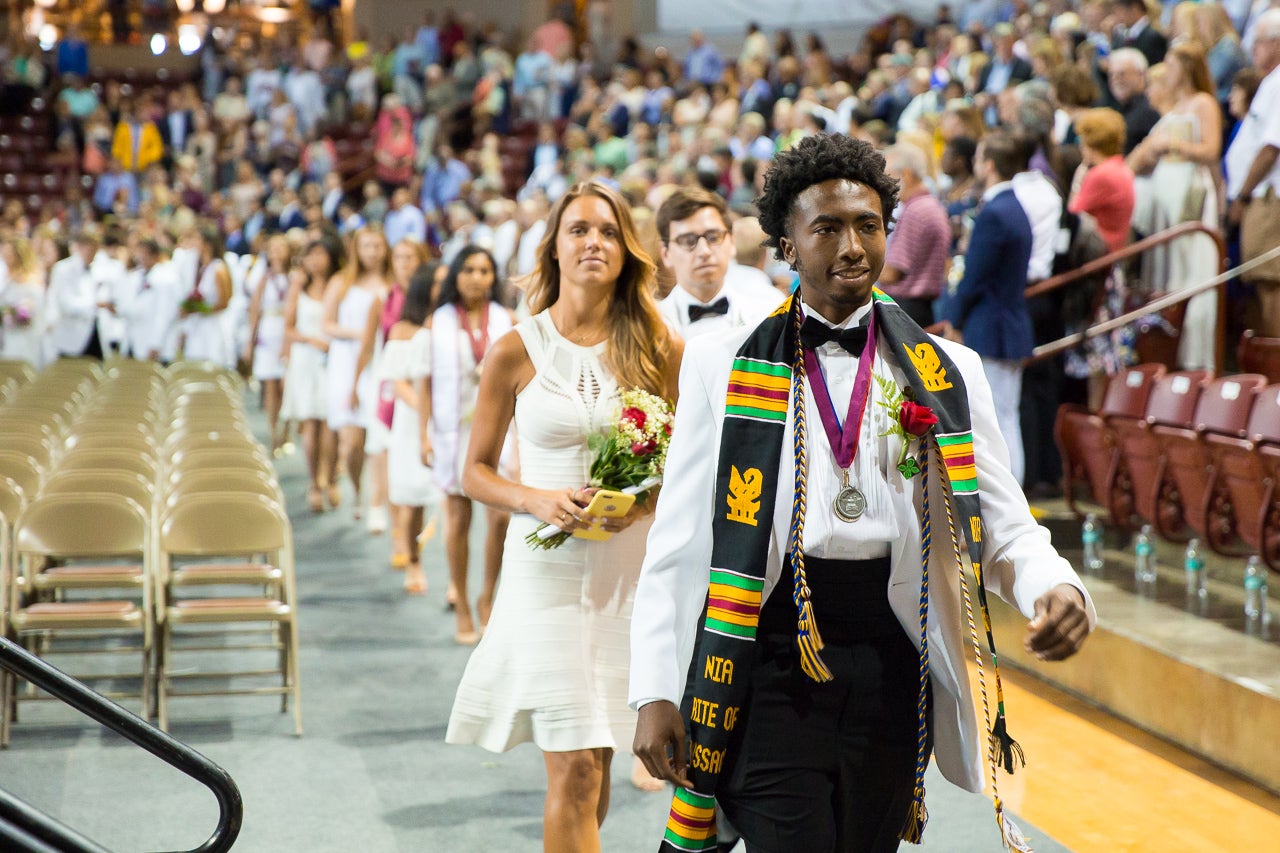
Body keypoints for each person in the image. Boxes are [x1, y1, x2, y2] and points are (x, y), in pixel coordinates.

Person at [629, 133, 1093, 853]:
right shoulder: (722, 366)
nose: (852, 246)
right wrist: (655, 687)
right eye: (827, 228)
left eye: (869, 225)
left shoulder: (948, 370)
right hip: (768, 652)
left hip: (890, 658)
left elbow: (1001, 524)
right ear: (787, 245)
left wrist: (1054, 587)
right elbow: (679, 538)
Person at [447, 181, 683, 852]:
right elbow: (475, 470)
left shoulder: (661, 349)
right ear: (553, 245)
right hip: (542, 574)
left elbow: (681, 472)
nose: (594, 242)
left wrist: (640, 501)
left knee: (599, 765)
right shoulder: (516, 348)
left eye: (608, 231)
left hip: (625, 578)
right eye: (578, 229)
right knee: (574, 765)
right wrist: (536, 497)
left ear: (626, 249)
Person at [421, 246, 515, 642]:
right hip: (451, 430)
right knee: (458, 519)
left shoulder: (505, 319)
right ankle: (460, 600)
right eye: (470, 270)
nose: (477, 277)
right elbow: (425, 382)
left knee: (500, 517)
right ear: (456, 275)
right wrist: (422, 434)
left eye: (485, 270)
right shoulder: (436, 323)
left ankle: (488, 597)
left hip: (498, 428)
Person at [941, 132, 1036, 487]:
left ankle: (1005, 499)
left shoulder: (995, 212)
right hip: (1009, 322)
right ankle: (1012, 496)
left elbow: (975, 276)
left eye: (980, 159)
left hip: (991, 325)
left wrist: (956, 317)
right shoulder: (1014, 206)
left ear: (990, 165)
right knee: (1006, 414)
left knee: (996, 418)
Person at [1128, 41, 1222, 371]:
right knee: (1166, 268)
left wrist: (1172, 144)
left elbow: (1211, 150)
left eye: (1171, 63)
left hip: (1190, 193)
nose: (1166, 70)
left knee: (1189, 265)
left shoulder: (1202, 102)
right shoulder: (1174, 105)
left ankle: (1194, 356)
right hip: (1165, 195)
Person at [382, 261, 441, 596]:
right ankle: (414, 559)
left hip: (451, 420)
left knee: (454, 499)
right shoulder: (403, 330)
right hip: (412, 418)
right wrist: (427, 409)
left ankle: (456, 584)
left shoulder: (453, 325)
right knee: (415, 495)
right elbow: (398, 381)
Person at [655, 188, 781, 341]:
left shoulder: (768, 311)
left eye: (713, 238)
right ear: (665, 253)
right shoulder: (651, 324)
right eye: (688, 241)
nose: (704, 251)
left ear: (732, 242)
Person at [323, 226, 389, 517]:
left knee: (376, 437)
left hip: (380, 363)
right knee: (351, 441)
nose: (372, 252)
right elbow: (327, 323)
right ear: (356, 249)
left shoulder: (391, 282)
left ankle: (376, 498)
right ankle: (357, 487)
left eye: (377, 246)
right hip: (346, 362)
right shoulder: (342, 282)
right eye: (366, 246)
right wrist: (358, 333)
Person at [1226, 9, 1280, 337]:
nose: (1253, 50)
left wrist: (1243, 195)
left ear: (1276, 42)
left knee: (1271, 281)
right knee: (1261, 283)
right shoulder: (1270, 81)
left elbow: (1272, 145)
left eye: (1258, 42)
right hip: (1261, 195)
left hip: (1268, 194)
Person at [283, 237, 340, 514]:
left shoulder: (338, 284)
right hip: (306, 360)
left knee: (332, 424)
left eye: (321, 254)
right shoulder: (298, 287)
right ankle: (313, 484)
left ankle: (330, 478)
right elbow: (289, 328)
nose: (316, 260)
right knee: (311, 425)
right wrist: (311, 340)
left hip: (334, 359)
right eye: (311, 255)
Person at [880, 145, 951, 328]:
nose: (884, 184)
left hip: (908, 309)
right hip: (918, 308)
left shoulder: (916, 211)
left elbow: (892, 272)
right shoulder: (928, 205)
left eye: (887, 176)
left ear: (906, 174)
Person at [244, 235, 293, 452]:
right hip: (269, 331)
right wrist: (249, 342)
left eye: (281, 247)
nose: (277, 252)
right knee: (271, 386)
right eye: (273, 248)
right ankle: (274, 433)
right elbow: (255, 310)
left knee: (287, 385)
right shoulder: (263, 278)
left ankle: (287, 431)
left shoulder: (295, 277)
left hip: (288, 332)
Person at [1070, 108, 1136, 254]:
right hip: (1115, 250)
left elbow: (1073, 216)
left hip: (1099, 255)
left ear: (1091, 143)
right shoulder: (1121, 168)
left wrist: (1077, 183)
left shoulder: (1101, 175)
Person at [46, 231, 108, 360]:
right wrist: (95, 304)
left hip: (93, 332)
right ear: (78, 247)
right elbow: (66, 304)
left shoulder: (96, 269)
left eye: (95, 250)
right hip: (71, 334)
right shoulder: (63, 269)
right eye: (89, 249)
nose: (92, 254)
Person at [180, 225, 235, 366]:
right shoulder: (199, 267)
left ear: (208, 243)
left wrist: (202, 309)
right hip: (197, 325)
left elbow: (225, 301)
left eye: (197, 239)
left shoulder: (218, 268)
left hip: (213, 325)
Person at [0, 237, 47, 367]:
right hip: (7, 337)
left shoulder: (30, 282)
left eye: (9, 254)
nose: (6, 258)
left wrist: (9, 313)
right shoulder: (6, 279)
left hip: (24, 338)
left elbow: (29, 314)